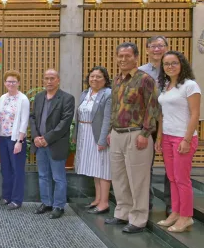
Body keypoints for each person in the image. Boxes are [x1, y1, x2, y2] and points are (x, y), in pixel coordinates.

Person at [105, 42, 160, 234]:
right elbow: (114, 107)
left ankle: (138, 219)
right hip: (117, 134)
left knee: (138, 179)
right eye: (120, 56)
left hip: (137, 134)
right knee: (119, 178)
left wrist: (146, 133)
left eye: (127, 56)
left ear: (136, 57)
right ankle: (122, 212)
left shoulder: (145, 79)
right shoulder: (117, 80)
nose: (123, 59)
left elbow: (152, 108)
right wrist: (111, 131)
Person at [155, 51, 201, 233]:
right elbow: (162, 114)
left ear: (182, 64)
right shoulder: (166, 85)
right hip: (167, 136)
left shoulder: (190, 85)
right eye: (166, 64)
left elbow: (195, 114)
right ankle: (175, 212)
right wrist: (159, 137)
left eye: (174, 63)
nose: (170, 66)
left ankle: (186, 216)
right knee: (172, 178)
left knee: (182, 179)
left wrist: (187, 139)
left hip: (183, 137)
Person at [29, 69, 75, 219]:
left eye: (52, 78)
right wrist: (36, 137)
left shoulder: (67, 98)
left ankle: (58, 206)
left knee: (58, 177)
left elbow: (64, 123)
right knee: (43, 176)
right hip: (40, 144)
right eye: (46, 78)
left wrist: (46, 138)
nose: (49, 81)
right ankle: (46, 203)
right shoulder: (39, 97)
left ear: (58, 80)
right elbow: (33, 118)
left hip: (55, 144)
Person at [73, 66, 112, 214]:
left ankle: (104, 203)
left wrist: (102, 140)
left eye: (98, 77)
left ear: (105, 79)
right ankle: (97, 199)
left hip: (98, 135)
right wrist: (76, 135)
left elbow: (108, 118)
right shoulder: (85, 93)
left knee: (103, 169)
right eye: (92, 76)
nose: (94, 79)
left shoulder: (107, 94)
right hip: (85, 134)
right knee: (94, 169)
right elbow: (78, 117)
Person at [139, 36, 171, 215]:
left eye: (161, 46)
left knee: (171, 165)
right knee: (145, 164)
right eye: (153, 46)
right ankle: (146, 201)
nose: (157, 49)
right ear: (147, 50)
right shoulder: (140, 71)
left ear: (167, 47)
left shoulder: (175, 68)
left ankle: (171, 204)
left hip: (171, 122)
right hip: (148, 122)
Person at [0, 70, 29, 210]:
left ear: (19, 83)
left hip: (15, 139)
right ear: (5, 83)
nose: (11, 84)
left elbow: (24, 121)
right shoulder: (3, 97)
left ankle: (16, 199)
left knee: (17, 170)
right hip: (2, 138)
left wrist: (19, 141)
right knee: (6, 169)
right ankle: (6, 196)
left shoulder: (23, 99)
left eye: (13, 81)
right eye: (8, 81)